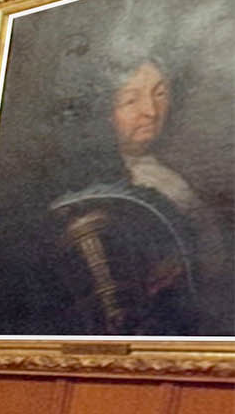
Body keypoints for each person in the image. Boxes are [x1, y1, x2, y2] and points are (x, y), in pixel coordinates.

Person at [43, 53, 234, 336]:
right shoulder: (89, 193)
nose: (151, 111)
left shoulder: (173, 166)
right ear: (103, 111)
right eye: (131, 100)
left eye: (160, 93)